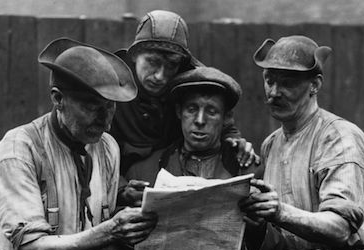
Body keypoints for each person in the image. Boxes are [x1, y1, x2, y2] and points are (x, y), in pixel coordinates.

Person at [0, 38, 157, 250]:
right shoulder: (17, 152)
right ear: (58, 99)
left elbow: (98, 238)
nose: (106, 123)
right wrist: (111, 230)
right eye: (91, 107)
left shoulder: (107, 147)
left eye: (110, 107)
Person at [239, 36, 364, 250]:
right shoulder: (271, 144)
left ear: (315, 85)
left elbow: (340, 227)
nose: (274, 92)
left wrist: (279, 211)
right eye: (269, 80)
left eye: (287, 83)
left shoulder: (339, 138)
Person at [121, 66, 259, 250]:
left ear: (226, 118)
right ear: (179, 112)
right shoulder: (143, 172)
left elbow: (272, 247)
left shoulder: (249, 171)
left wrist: (259, 224)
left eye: (211, 112)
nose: (200, 121)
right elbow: (123, 242)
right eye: (192, 109)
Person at [110, 10, 258, 180]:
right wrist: (121, 190)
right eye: (152, 62)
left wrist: (235, 144)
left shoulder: (190, 83)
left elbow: (223, 123)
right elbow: (101, 153)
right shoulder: (112, 91)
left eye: (171, 65)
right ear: (135, 55)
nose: (160, 76)